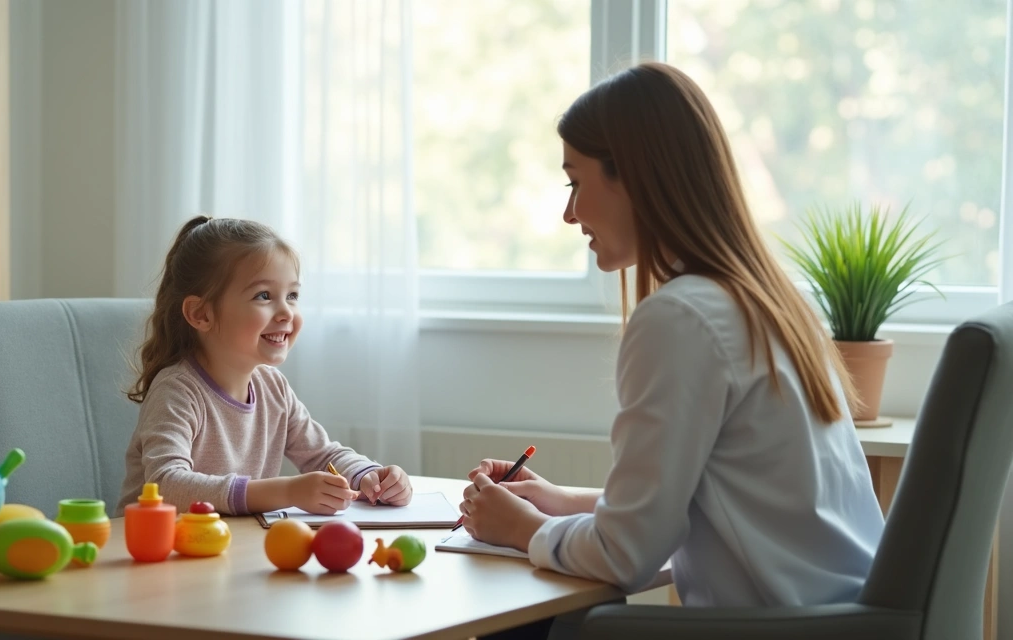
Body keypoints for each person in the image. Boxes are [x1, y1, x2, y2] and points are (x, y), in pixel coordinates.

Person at [460, 61, 885, 635]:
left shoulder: (682, 318)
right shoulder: (768, 303)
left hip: (783, 628)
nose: (570, 213)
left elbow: (624, 556)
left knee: (519, 625)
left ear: (633, 176)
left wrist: (523, 529)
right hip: (842, 619)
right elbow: (707, 497)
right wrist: (558, 503)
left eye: (575, 182)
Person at [118, 215, 413, 516]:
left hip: (227, 547)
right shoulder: (177, 391)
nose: (286, 312)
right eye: (264, 296)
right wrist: (286, 491)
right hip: (154, 553)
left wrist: (369, 476)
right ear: (200, 314)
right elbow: (167, 486)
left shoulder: (273, 388)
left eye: (293, 295)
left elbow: (323, 455)